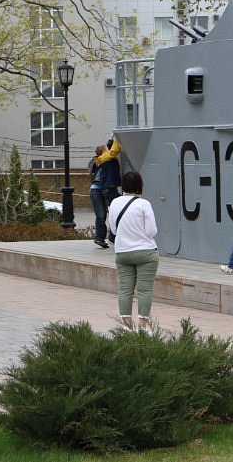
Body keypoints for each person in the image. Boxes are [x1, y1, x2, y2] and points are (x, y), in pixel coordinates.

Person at [107, 170, 158, 331]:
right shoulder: (144, 204)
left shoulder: (114, 203)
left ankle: (127, 327)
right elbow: (151, 231)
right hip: (146, 253)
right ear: (139, 186)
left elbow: (113, 230)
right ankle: (143, 326)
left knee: (125, 289)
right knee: (144, 289)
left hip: (122, 253)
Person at [88, 134, 121, 249]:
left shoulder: (104, 158)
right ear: (103, 153)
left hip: (102, 188)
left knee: (107, 213)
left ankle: (105, 236)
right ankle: (101, 237)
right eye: (106, 149)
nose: (108, 149)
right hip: (98, 190)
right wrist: (116, 140)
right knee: (101, 215)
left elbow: (107, 150)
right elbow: (110, 152)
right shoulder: (98, 160)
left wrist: (111, 139)